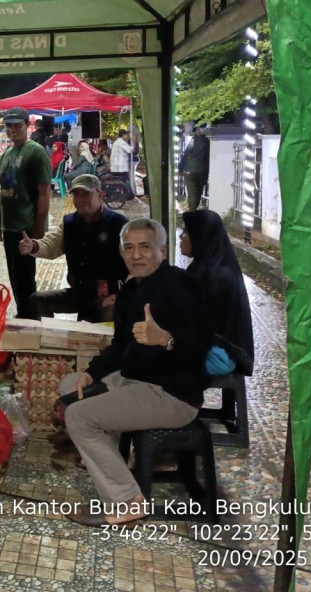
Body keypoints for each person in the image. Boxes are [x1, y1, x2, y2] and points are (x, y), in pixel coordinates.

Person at [57, 218, 209, 527]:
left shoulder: (182, 285)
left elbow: (202, 343)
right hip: (136, 379)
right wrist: (92, 372)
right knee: (71, 386)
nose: (136, 255)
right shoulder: (130, 290)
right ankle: (114, 461)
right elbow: (120, 345)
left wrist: (166, 339)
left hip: (172, 394)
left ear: (162, 250)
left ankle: (126, 502)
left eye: (145, 247)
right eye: (129, 248)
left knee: (79, 416)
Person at [20, 174, 128, 322]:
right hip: (80, 292)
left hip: (109, 296)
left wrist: (122, 294)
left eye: (86, 194)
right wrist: (33, 246)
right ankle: (46, 334)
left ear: (100, 195)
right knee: (38, 300)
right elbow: (53, 244)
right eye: (77, 195)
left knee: (96, 322)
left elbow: (133, 264)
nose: (80, 199)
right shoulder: (70, 222)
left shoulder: (119, 224)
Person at [0, 108, 52, 319]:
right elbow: (4, 193)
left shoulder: (36, 152)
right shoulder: (6, 154)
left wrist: (38, 228)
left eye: (17, 125)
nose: (12, 130)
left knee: (26, 278)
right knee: (15, 277)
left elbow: (44, 193)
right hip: (9, 227)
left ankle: (31, 318)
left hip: (26, 227)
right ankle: (23, 314)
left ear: (28, 125)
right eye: (8, 126)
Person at [180, 210, 254, 376]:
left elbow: (195, 324)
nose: (180, 237)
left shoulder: (214, 277)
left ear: (201, 237)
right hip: (223, 350)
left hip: (222, 356)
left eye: (186, 233)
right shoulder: (211, 266)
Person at [179, 125, 211, 211]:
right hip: (202, 171)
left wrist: (180, 169)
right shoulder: (208, 141)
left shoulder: (193, 140)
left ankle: (192, 212)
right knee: (198, 193)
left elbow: (186, 154)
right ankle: (194, 210)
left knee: (192, 193)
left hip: (189, 171)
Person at [110, 129, 135, 200]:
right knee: (126, 181)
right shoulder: (121, 142)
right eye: (126, 135)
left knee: (124, 181)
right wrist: (133, 140)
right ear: (123, 135)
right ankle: (129, 196)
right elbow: (131, 149)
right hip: (120, 168)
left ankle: (127, 195)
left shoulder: (116, 142)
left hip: (115, 167)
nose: (127, 136)